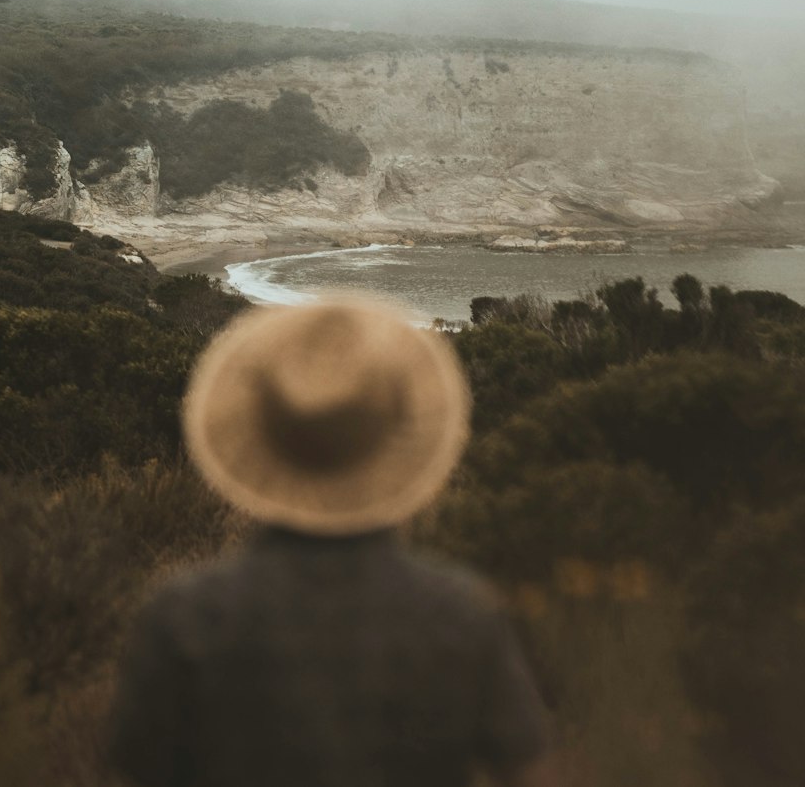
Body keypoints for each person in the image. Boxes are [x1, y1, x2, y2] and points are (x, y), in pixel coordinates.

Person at [107, 294, 557, 787]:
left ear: (262, 435)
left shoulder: (184, 618)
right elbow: (526, 771)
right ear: (394, 442)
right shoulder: (462, 615)